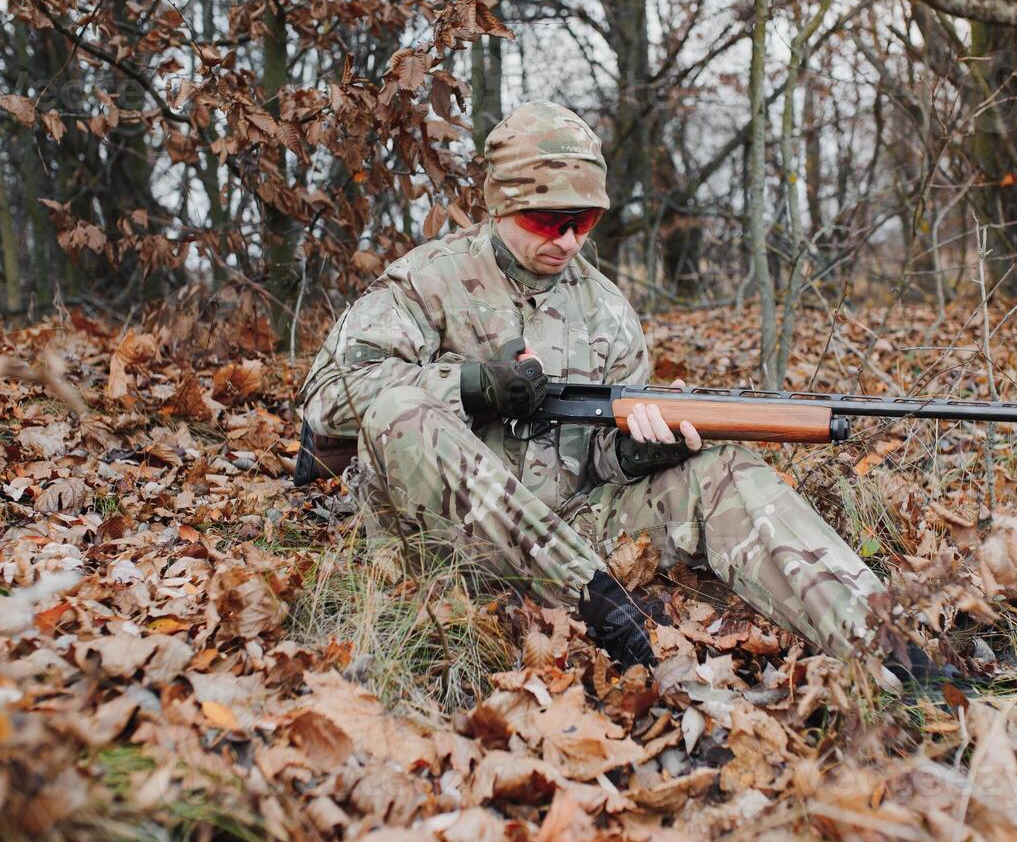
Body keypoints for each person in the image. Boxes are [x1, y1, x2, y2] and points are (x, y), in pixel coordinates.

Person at [299, 101, 890, 672]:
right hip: (441, 541)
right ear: (501, 204)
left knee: (722, 470)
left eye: (584, 222)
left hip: (570, 531)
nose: (569, 240)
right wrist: (473, 386)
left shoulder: (605, 308)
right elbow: (328, 396)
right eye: (546, 221)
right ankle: (599, 609)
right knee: (402, 407)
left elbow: (600, 462)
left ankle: (887, 647)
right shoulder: (427, 280)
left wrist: (639, 450)